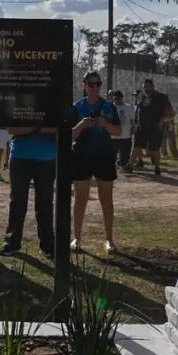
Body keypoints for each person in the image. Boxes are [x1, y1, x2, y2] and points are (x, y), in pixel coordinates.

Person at [70, 72, 122, 255]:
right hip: (81, 156)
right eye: (90, 84)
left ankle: (109, 239)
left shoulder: (108, 106)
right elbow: (70, 135)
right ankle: (76, 237)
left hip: (104, 156)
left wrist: (105, 124)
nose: (94, 87)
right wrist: (81, 125)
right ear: (84, 85)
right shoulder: (76, 107)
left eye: (97, 84)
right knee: (80, 199)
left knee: (106, 199)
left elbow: (118, 131)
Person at [0, 124, 57, 259]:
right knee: (17, 201)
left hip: (47, 158)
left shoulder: (52, 105)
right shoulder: (20, 104)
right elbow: (12, 128)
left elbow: (57, 128)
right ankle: (11, 242)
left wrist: (30, 128)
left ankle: (48, 245)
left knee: (45, 202)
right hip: (20, 156)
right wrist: (39, 129)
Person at [130, 79, 174, 176]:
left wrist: (163, 119)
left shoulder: (160, 97)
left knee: (154, 150)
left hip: (155, 128)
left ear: (153, 86)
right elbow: (137, 110)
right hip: (141, 128)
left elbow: (171, 112)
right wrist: (134, 124)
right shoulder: (140, 96)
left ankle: (157, 168)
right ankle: (130, 166)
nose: (146, 88)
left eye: (148, 86)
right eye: (144, 86)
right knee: (136, 147)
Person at [110, 90, 135, 171]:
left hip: (126, 135)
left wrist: (133, 128)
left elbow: (132, 119)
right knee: (111, 155)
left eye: (118, 98)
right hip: (114, 136)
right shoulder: (111, 107)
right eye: (115, 98)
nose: (116, 100)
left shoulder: (128, 107)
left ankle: (123, 164)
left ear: (122, 98)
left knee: (125, 156)